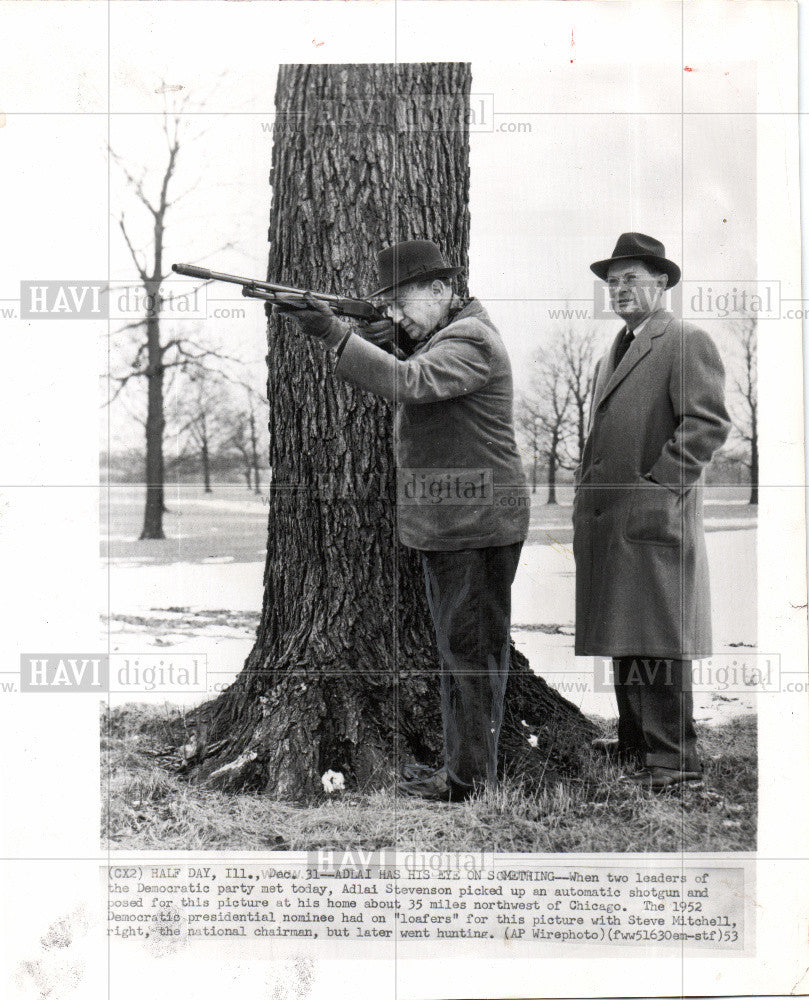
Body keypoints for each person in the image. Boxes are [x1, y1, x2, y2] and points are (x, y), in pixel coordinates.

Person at [278, 239, 530, 801]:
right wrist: (384, 338)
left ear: (442, 291)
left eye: (402, 300)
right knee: (457, 653)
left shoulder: (470, 339)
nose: (394, 313)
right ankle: (464, 773)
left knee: (472, 657)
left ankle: (472, 784)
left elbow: (408, 383)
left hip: (477, 523)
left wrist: (334, 334)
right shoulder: (443, 336)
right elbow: (409, 369)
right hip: (455, 522)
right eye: (385, 304)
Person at [573, 233, 731, 791]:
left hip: (656, 518)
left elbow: (707, 423)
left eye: (631, 278)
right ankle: (636, 745)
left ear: (661, 283)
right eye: (612, 282)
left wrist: (659, 487)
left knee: (661, 640)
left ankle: (674, 760)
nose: (619, 289)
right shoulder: (611, 352)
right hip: (613, 522)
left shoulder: (683, 340)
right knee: (626, 635)